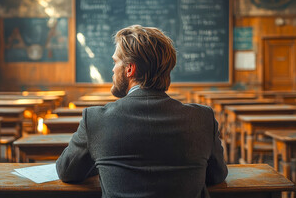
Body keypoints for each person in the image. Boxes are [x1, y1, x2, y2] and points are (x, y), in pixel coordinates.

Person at [56, 25, 227, 198]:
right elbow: (217, 175)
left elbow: (67, 171)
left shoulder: (95, 120)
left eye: (115, 62)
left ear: (130, 69)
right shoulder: (201, 119)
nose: (113, 69)